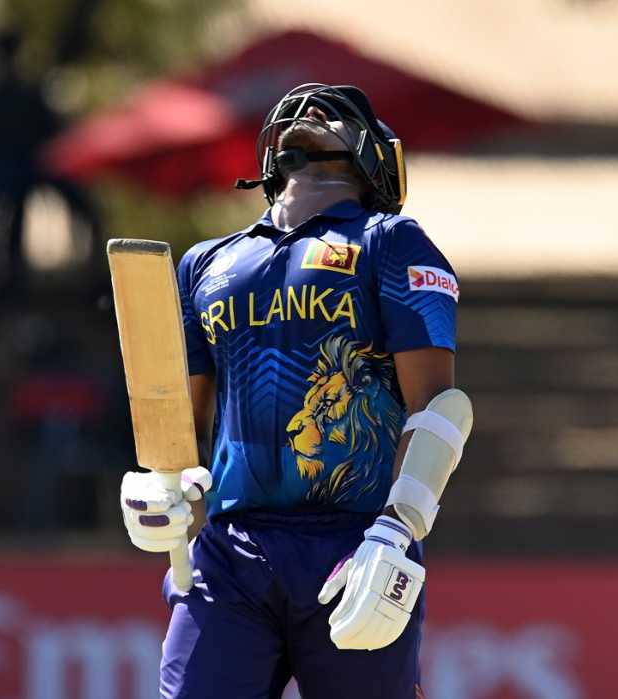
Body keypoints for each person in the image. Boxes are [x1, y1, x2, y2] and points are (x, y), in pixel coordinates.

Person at [118, 83, 473, 698]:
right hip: (229, 552)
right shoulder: (204, 263)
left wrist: (398, 529)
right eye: (301, 113)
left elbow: (439, 409)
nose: (311, 113)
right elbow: (180, 425)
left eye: (337, 115)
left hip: (356, 547)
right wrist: (165, 489)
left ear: (376, 161)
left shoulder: (389, 240)